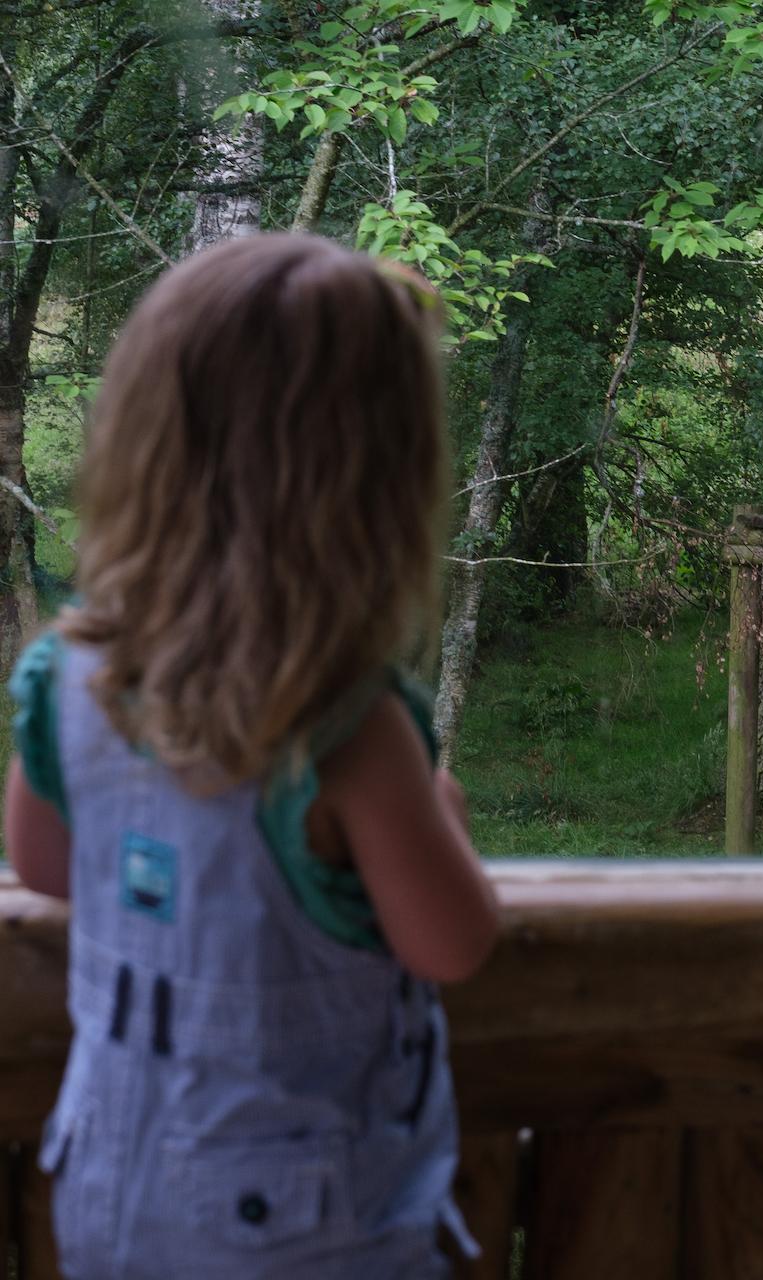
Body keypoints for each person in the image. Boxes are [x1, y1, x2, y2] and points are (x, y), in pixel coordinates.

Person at [4, 234, 502, 1279]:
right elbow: (451, 940)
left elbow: (48, 868)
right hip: (306, 1231)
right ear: (379, 487)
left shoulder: (74, 675)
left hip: (109, 1193)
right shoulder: (344, 728)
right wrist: (439, 804)